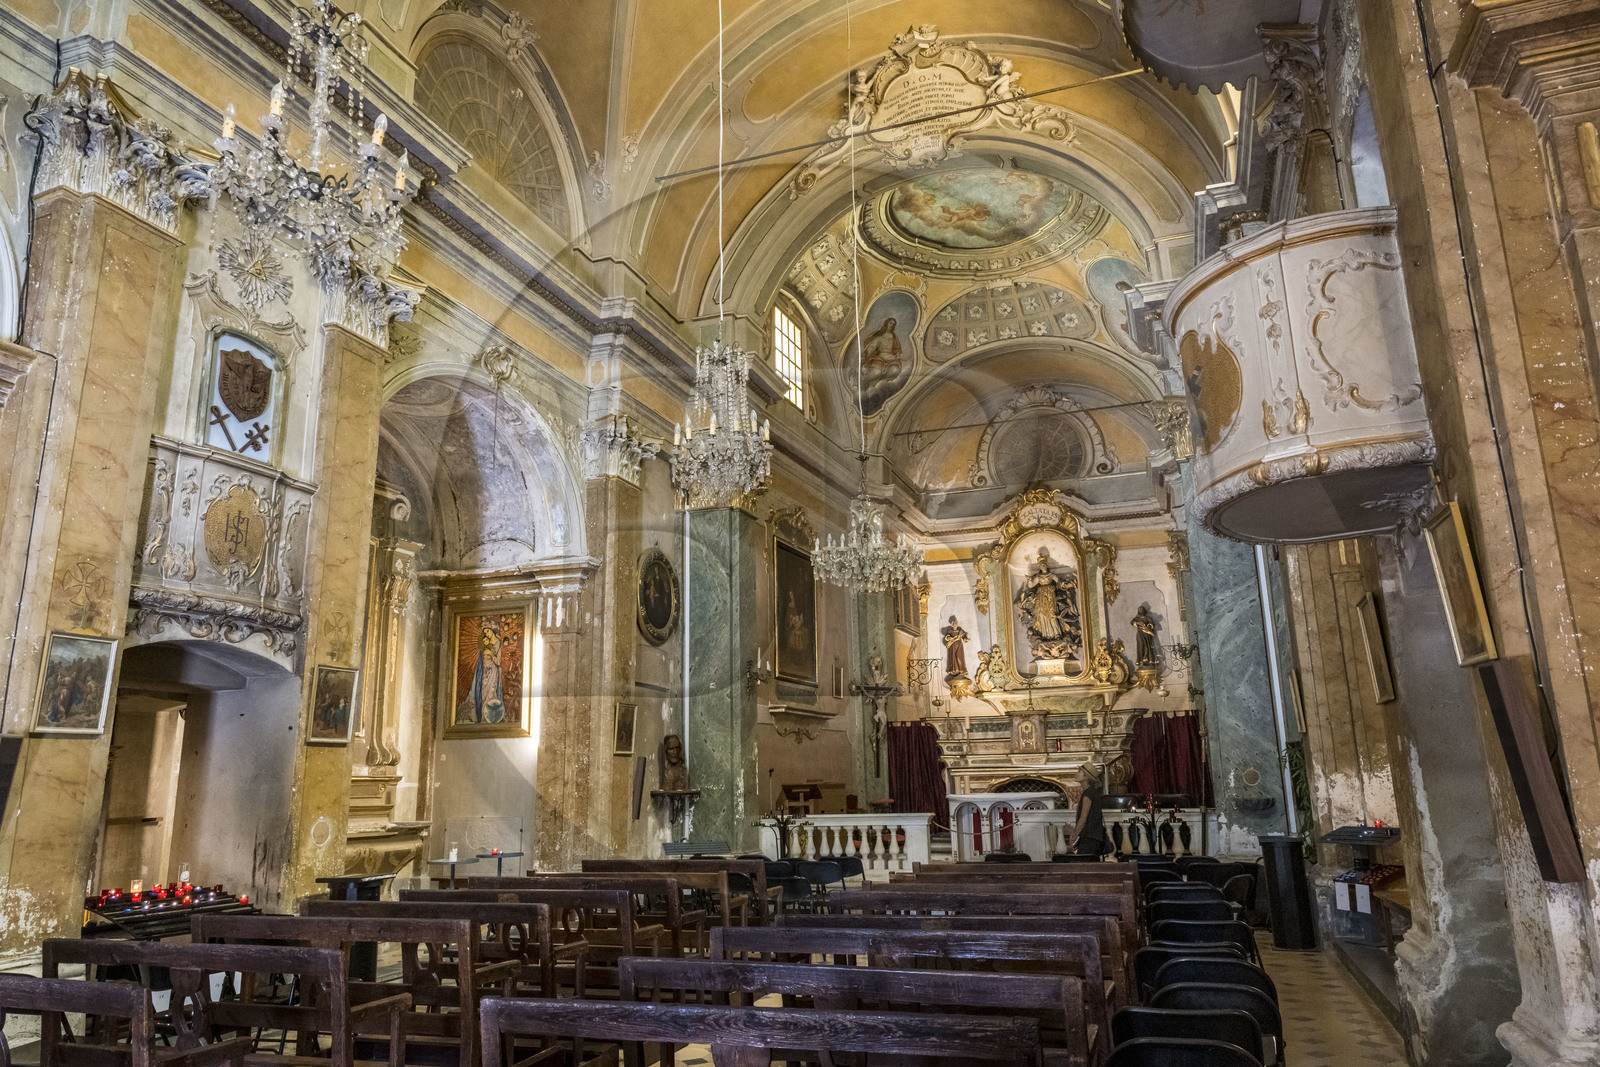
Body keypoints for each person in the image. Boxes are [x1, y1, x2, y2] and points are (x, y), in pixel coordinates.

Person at [1067, 763, 1107, 857]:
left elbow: (1083, 818)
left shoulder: (1088, 794)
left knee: (1084, 864)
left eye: (1079, 772)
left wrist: (1074, 837)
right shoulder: (1091, 791)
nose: (1076, 773)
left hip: (1089, 839)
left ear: (1086, 777)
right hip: (1093, 837)